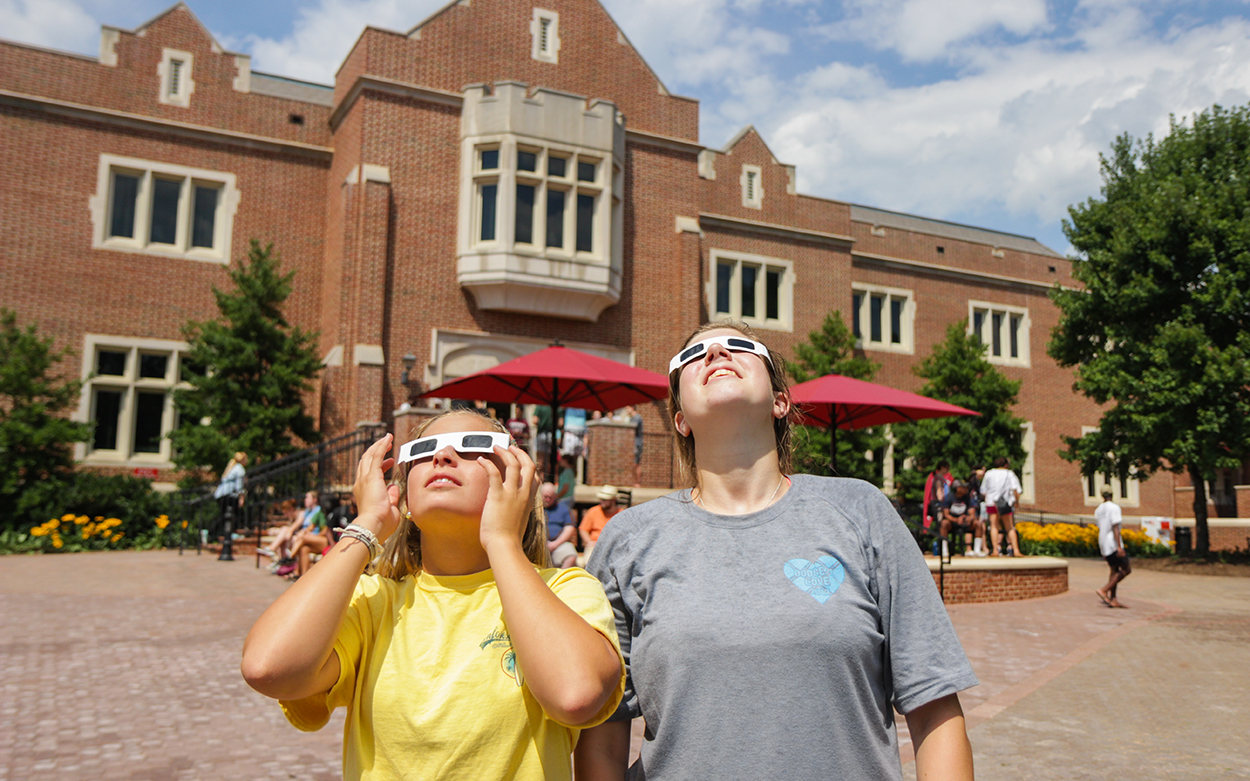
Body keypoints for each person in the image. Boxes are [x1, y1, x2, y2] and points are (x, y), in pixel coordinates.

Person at [576, 323, 977, 781]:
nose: (716, 354)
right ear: (680, 418)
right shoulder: (628, 538)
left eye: (741, 347)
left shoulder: (861, 511)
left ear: (780, 401)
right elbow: (603, 736)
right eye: (693, 355)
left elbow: (934, 708)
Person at [241, 410, 625, 781]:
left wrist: (503, 540)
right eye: (423, 451)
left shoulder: (565, 591)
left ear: (516, 481)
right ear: (405, 498)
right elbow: (268, 668)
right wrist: (367, 523)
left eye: (473, 445)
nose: (442, 455)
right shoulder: (373, 602)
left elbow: (575, 694)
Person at [982, 456, 1024, 557]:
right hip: (1005, 503)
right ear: (1006, 465)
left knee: (993, 526)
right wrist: (1016, 501)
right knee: (1009, 527)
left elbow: (983, 490)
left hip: (991, 502)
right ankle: (1016, 550)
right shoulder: (1009, 474)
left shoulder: (989, 473)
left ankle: (995, 550)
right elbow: (1015, 489)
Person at [1095, 489, 1131, 608]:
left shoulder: (1098, 510)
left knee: (1114, 570)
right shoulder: (1114, 507)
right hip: (1112, 544)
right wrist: (1119, 546)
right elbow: (1115, 527)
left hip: (1103, 543)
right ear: (1112, 494)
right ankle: (1104, 589)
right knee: (1126, 569)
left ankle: (1113, 599)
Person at [940, 479, 987, 557]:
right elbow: (946, 514)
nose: (966, 489)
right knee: (944, 523)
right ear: (958, 489)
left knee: (978, 524)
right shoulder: (948, 497)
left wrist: (969, 518)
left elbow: (972, 512)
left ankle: (977, 550)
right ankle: (944, 550)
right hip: (952, 522)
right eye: (964, 487)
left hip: (965, 522)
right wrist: (956, 520)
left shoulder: (969, 497)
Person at [543, 482, 578, 569]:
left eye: (550, 497)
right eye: (545, 497)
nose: (548, 499)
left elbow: (570, 528)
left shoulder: (563, 508)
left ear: (555, 496)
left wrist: (555, 544)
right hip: (538, 543)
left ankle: (560, 580)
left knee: (571, 556)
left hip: (558, 543)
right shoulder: (534, 508)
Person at [578, 485, 621, 555]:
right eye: (601, 499)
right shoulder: (593, 511)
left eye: (605, 499)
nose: (601, 501)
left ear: (613, 500)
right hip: (595, 545)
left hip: (615, 547)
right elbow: (583, 529)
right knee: (589, 559)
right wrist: (590, 542)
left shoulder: (622, 514)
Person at [213, 451, 248, 530]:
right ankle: (236, 531)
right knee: (238, 514)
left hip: (220, 494)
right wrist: (241, 498)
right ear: (243, 460)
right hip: (228, 495)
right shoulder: (240, 469)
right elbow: (239, 486)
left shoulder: (232, 467)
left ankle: (216, 533)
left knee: (225, 515)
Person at [923, 460, 951, 530]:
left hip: (940, 504)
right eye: (947, 468)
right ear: (942, 467)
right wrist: (942, 502)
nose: (948, 470)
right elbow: (939, 491)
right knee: (940, 524)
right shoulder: (938, 478)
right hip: (939, 505)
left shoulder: (940, 478)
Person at [624, 405, 643, 487]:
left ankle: (637, 482)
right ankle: (635, 482)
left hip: (637, 444)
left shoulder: (637, 418)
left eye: (627, 408)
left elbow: (631, 428)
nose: (626, 410)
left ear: (632, 408)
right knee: (634, 463)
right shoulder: (632, 418)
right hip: (635, 443)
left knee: (636, 463)